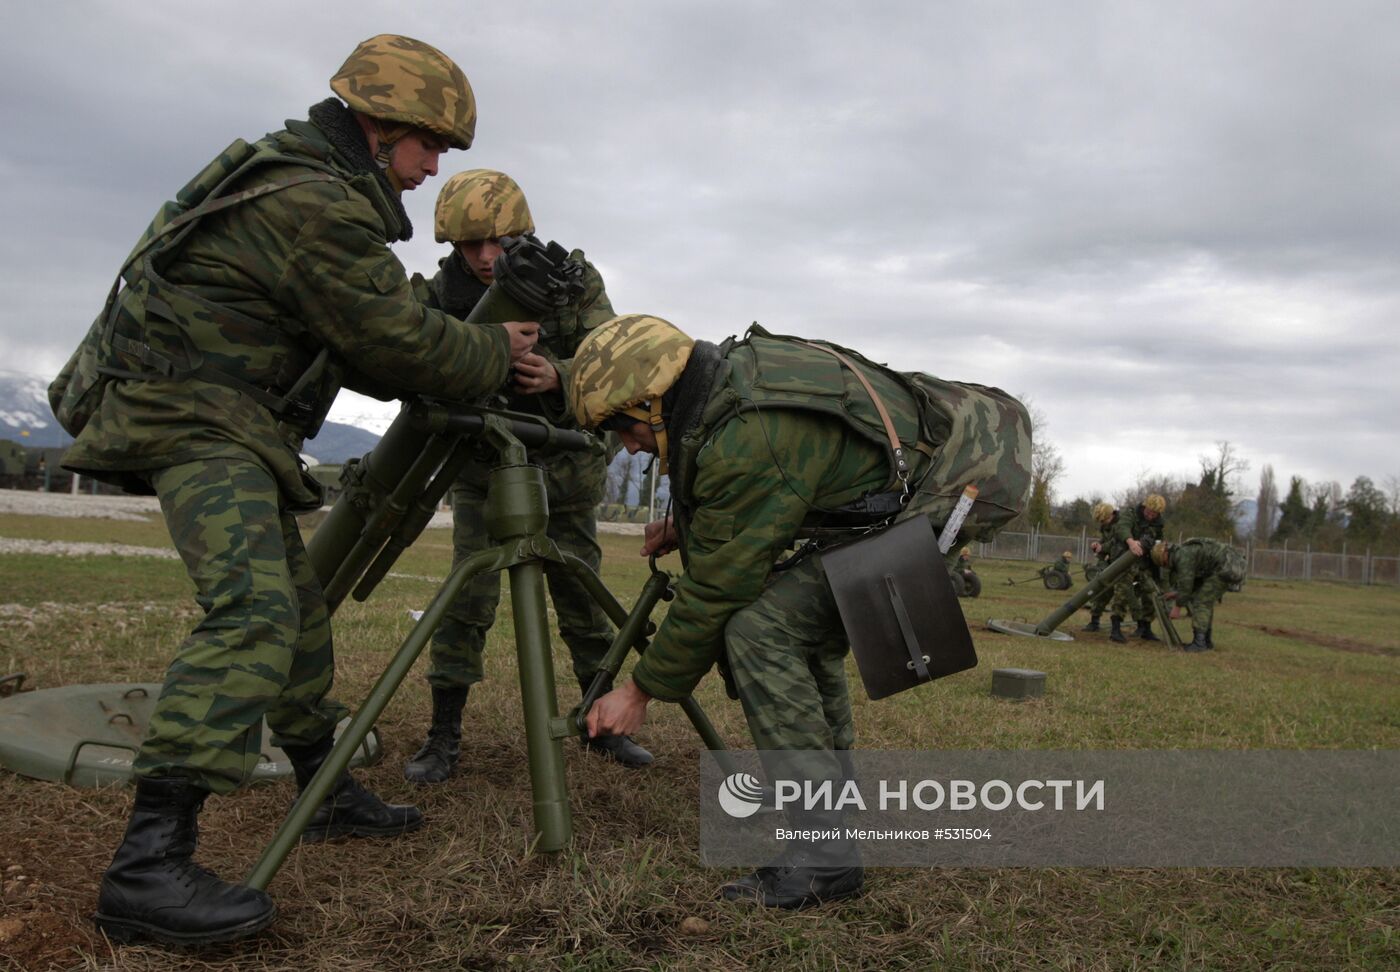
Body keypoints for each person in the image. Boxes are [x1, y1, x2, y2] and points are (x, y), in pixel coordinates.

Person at [48, 35, 539, 947]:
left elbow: (377, 316)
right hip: (196, 418)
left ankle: (323, 788)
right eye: (429, 145)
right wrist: (492, 350)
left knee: (297, 613)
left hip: (225, 419)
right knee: (253, 616)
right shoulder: (318, 202)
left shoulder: (313, 184)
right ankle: (148, 866)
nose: (432, 168)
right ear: (382, 124)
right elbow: (391, 347)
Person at [567, 315, 1031, 909]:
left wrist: (639, 691)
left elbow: (718, 588)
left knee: (759, 627)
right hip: (938, 472)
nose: (626, 445)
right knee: (801, 631)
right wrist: (691, 527)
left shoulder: (748, 432)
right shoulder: (722, 391)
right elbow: (785, 493)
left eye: (622, 426)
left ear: (654, 400)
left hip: (959, 491)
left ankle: (825, 857)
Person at [402, 169, 651, 785]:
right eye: (470, 246)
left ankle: (599, 724)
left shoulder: (570, 281)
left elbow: (610, 356)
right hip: (486, 470)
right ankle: (443, 735)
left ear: (523, 233)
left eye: (499, 241)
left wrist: (558, 377)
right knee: (465, 604)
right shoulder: (438, 297)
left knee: (584, 600)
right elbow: (411, 364)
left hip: (566, 468)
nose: (486, 257)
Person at [1152, 539, 1247, 651]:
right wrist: (1176, 594)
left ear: (1165, 555)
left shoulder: (1182, 557)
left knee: (1201, 602)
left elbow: (1186, 585)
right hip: (1228, 566)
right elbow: (1194, 583)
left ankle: (1199, 643)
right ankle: (1206, 641)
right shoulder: (1184, 552)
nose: (1166, 566)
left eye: (1163, 564)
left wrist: (1177, 607)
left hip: (1225, 568)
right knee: (1205, 601)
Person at [1096, 494, 1166, 643]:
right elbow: (1122, 528)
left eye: (1154, 514)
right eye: (1148, 512)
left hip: (1145, 562)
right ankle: (1115, 630)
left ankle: (1146, 628)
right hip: (1124, 558)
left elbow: (1159, 540)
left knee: (1151, 593)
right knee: (1122, 592)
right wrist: (1131, 542)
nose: (1150, 516)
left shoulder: (1158, 523)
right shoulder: (1131, 514)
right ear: (1144, 507)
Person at [1081, 502, 1117, 631]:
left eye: (1105, 519)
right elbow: (1106, 542)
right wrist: (1098, 545)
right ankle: (1094, 621)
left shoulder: (1121, 525)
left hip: (1123, 564)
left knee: (1123, 596)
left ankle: (1141, 627)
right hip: (1110, 563)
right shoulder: (1106, 527)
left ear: (1112, 514)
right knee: (1101, 591)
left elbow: (1118, 542)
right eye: (1101, 521)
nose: (1104, 523)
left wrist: (1104, 547)